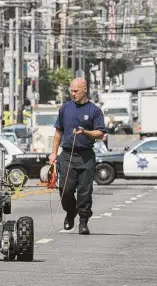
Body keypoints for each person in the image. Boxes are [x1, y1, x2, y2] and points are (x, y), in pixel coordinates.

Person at [49, 77, 106, 235]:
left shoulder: (94, 110)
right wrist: (53, 153)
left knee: (84, 191)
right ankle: (70, 212)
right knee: (65, 190)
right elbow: (58, 132)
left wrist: (85, 132)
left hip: (86, 156)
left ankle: (83, 221)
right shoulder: (65, 108)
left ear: (85, 89)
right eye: (71, 91)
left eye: (76, 91)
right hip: (67, 155)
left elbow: (100, 133)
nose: (73, 94)